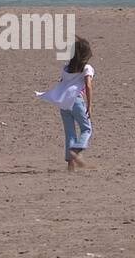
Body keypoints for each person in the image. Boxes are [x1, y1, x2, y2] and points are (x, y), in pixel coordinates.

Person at [36, 37, 95, 171]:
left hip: (64, 102)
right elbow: (88, 85)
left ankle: (70, 165)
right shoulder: (87, 68)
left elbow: (62, 82)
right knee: (86, 129)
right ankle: (77, 150)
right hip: (77, 100)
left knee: (70, 132)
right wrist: (90, 105)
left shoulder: (66, 68)